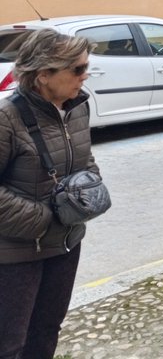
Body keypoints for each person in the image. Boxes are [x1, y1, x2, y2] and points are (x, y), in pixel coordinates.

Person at [0, 29, 97, 359]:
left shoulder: (77, 108)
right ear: (43, 74)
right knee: (9, 343)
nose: (85, 76)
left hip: (67, 243)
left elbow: (85, 158)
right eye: (78, 69)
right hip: (16, 253)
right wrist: (44, 219)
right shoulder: (6, 118)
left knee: (46, 332)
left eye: (87, 67)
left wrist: (92, 188)